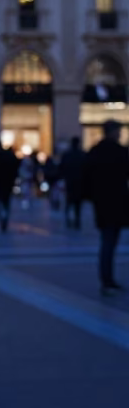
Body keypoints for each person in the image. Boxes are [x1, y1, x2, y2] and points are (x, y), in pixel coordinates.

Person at [82, 120, 129, 296]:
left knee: (107, 240)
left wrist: (91, 197)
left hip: (101, 202)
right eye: (119, 131)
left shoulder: (95, 152)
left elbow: (85, 177)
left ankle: (106, 278)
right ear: (113, 132)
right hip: (118, 201)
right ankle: (108, 279)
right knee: (110, 241)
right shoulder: (121, 152)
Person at [60, 135, 86, 229]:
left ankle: (69, 219)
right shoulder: (82, 155)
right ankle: (76, 220)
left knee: (70, 202)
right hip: (79, 182)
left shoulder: (67, 155)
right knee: (77, 204)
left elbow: (61, 168)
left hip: (70, 182)